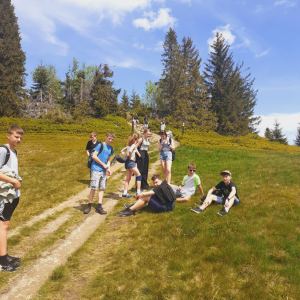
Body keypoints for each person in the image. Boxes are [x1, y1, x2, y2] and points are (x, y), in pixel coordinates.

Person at [0, 125, 23, 272]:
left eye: (20, 137)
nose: (19, 139)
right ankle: (2, 262)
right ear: (8, 136)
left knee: (5, 225)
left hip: (12, 195)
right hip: (3, 195)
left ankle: (4, 255)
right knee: (2, 226)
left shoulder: (14, 152)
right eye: (16, 136)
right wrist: (14, 182)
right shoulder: (3, 150)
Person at [84, 131, 115, 215]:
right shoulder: (100, 145)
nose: (110, 140)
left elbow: (108, 160)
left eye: (112, 139)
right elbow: (94, 156)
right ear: (106, 137)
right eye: (109, 138)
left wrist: (108, 168)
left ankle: (99, 206)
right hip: (95, 169)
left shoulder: (111, 149)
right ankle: (89, 205)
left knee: (102, 188)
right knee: (93, 188)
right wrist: (103, 164)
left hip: (103, 171)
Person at [121, 134, 142, 198]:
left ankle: (125, 194)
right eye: (138, 138)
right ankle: (138, 192)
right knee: (139, 176)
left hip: (127, 163)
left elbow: (122, 151)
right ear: (136, 139)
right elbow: (130, 151)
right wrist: (130, 157)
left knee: (128, 178)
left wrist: (126, 156)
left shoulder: (129, 146)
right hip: (131, 162)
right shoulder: (133, 145)